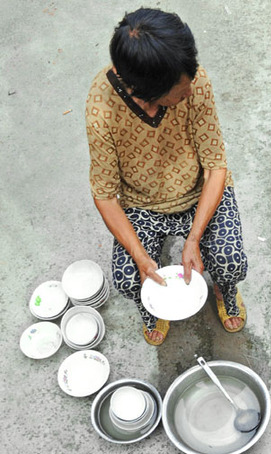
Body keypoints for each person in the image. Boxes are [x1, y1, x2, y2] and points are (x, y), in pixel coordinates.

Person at [85, 8, 248, 345]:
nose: (189, 92)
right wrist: (144, 261)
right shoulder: (101, 108)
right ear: (146, 94)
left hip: (197, 192)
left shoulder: (194, 81)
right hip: (142, 204)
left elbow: (216, 166)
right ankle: (153, 302)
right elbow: (105, 194)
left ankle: (224, 287)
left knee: (229, 262)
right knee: (130, 280)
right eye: (179, 91)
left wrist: (194, 237)